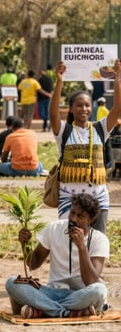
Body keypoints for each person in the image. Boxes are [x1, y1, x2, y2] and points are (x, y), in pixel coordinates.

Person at [6, 194, 108, 319]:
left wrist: (82, 247)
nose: (74, 219)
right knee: (12, 282)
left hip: (81, 294)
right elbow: (33, 263)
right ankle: (66, 312)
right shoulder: (54, 228)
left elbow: (91, 281)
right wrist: (25, 244)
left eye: (80, 216)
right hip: (53, 292)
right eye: (72, 213)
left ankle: (44, 309)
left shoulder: (99, 240)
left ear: (91, 219)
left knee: (99, 290)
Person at [48, 59, 121, 235]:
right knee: (71, 244)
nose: (84, 109)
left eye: (87, 105)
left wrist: (117, 79)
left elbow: (117, 108)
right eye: (79, 105)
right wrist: (59, 80)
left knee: (97, 243)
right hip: (69, 200)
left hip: (98, 198)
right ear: (71, 109)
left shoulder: (100, 129)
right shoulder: (64, 131)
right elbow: (53, 112)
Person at [36, 67, 54, 132]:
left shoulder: (40, 80)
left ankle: (45, 126)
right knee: (46, 112)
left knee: (42, 113)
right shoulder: (50, 79)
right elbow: (52, 89)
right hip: (46, 98)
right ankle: (48, 125)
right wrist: (51, 96)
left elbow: (39, 89)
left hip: (42, 98)